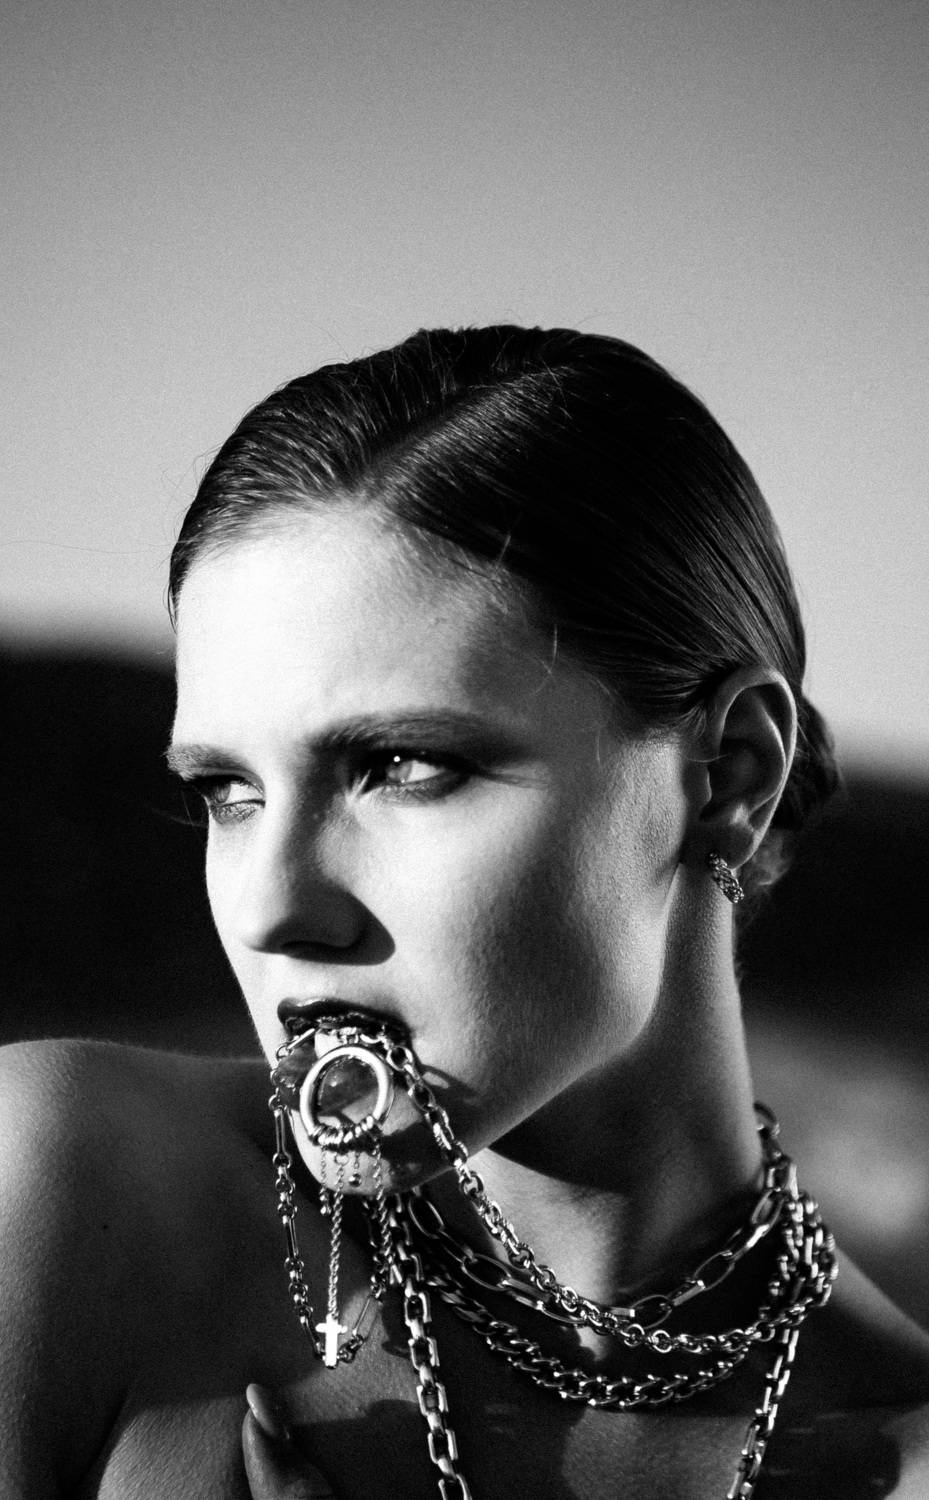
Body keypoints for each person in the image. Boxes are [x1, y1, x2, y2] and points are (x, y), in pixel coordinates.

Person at [3, 326, 928, 1500]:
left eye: (400, 765)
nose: (274, 908)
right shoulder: (67, 1197)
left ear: (727, 776)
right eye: (228, 792)